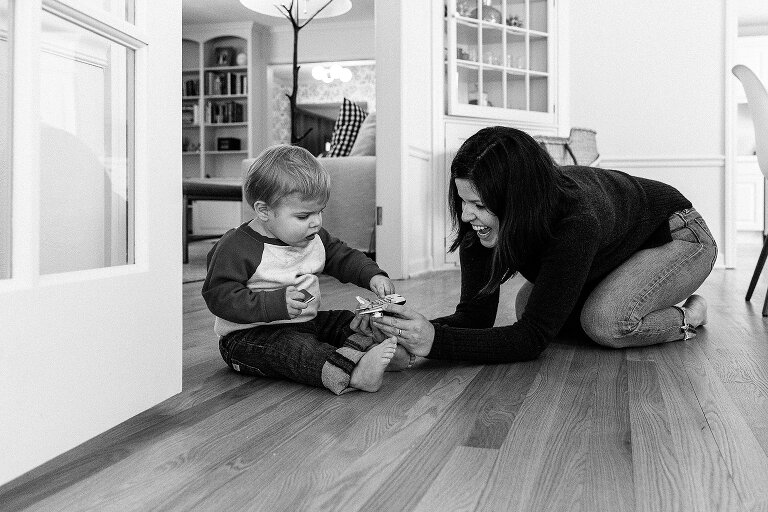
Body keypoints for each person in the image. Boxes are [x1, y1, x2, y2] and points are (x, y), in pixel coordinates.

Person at [370, 126, 717, 362]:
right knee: (530, 305)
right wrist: (407, 330)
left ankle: (689, 316)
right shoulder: (481, 227)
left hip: (677, 235)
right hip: (615, 250)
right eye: (462, 201)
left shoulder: (576, 221)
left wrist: (434, 342)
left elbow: (533, 338)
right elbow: (475, 317)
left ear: (518, 201)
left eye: (478, 205)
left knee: (606, 322)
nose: (465, 216)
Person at [202, 144, 411, 395]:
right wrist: (273, 304)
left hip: (305, 321)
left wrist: (372, 274)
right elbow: (219, 296)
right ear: (264, 211)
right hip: (248, 337)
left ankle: (371, 352)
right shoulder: (236, 246)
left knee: (347, 321)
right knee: (296, 350)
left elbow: (340, 256)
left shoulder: (314, 237)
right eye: (303, 216)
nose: (316, 222)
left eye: (320, 212)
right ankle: (353, 373)